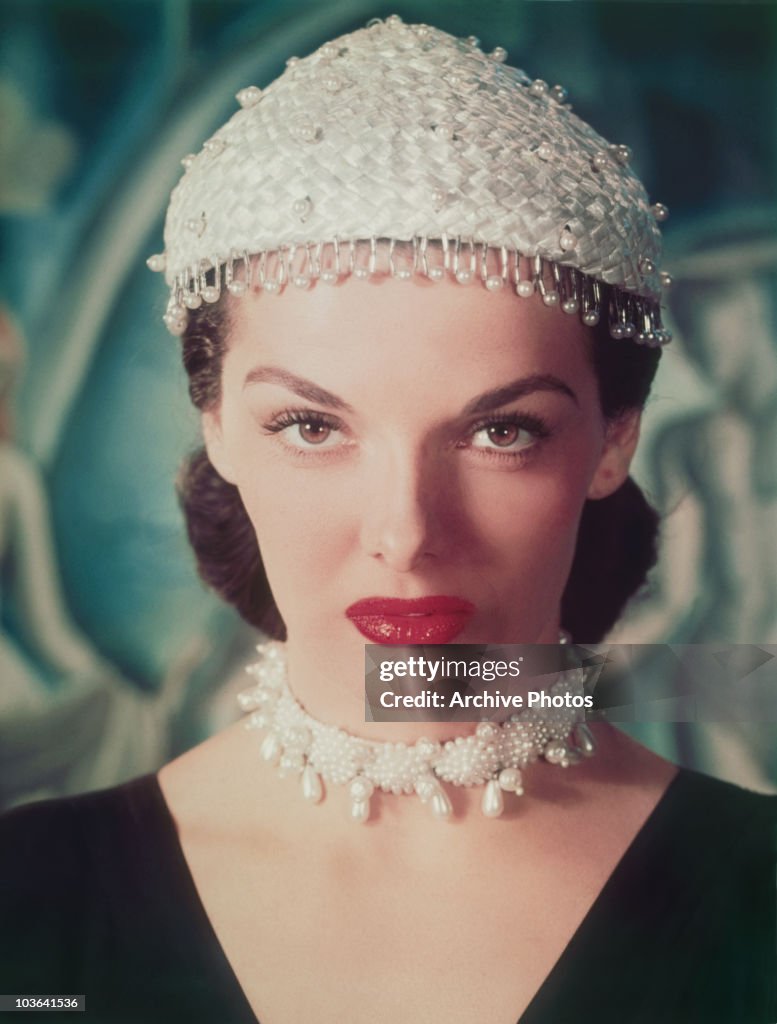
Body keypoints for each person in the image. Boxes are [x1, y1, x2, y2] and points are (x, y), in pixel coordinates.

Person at [0, 18, 774, 1024]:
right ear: (219, 428)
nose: (406, 531)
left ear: (615, 441)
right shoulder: (27, 897)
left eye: (502, 430)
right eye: (313, 424)